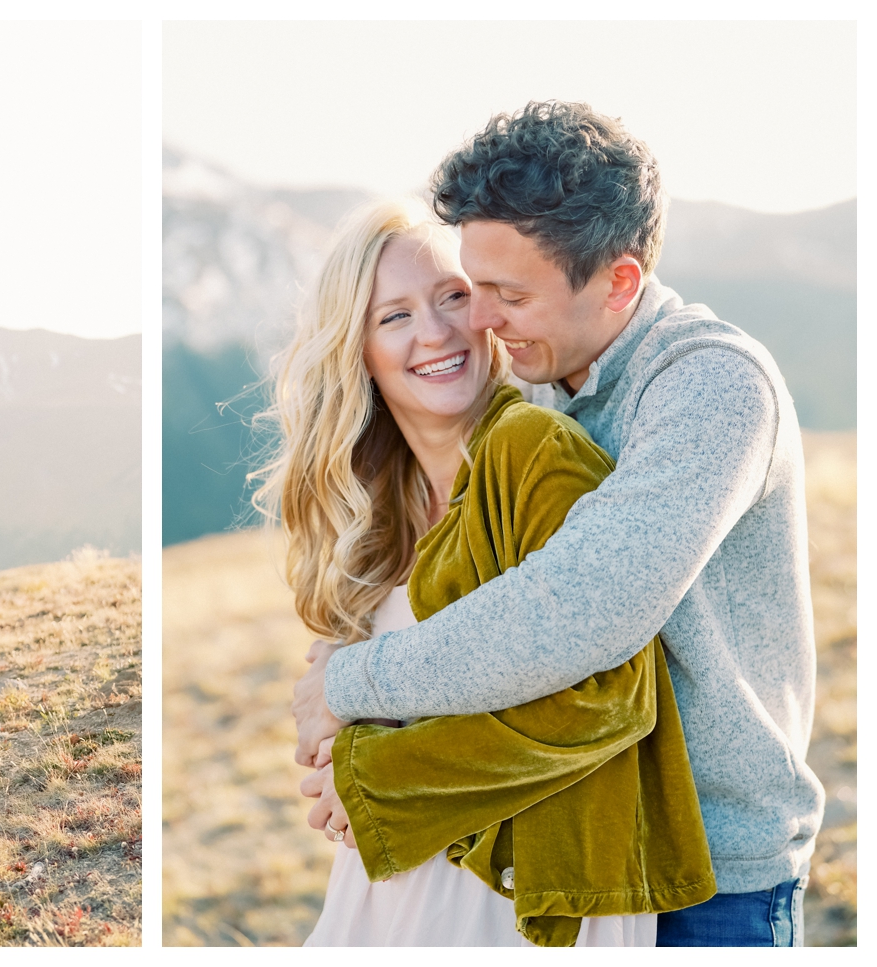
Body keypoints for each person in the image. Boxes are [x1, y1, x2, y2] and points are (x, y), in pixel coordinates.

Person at [292, 101, 821, 947]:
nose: (483, 321)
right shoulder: (541, 388)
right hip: (581, 847)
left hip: (714, 880)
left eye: (506, 294)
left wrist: (353, 691)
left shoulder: (709, 387)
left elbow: (575, 614)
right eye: (478, 286)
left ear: (617, 282)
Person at [258, 199, 713, 946]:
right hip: (396, 890)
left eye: (453, 298)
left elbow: (608, 700)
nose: (435, 332)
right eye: (394, 316)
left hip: (519, 898)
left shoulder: (532, 450)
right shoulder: (382, 505)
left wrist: (377, 780)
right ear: (357, 351)